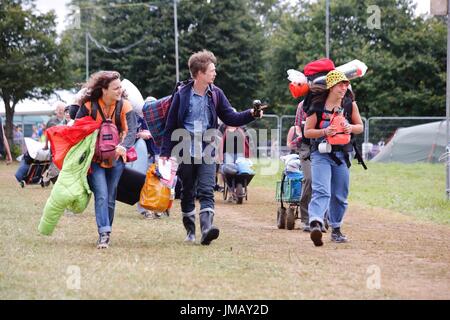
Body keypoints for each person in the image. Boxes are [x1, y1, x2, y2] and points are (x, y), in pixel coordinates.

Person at [160, 49, 263, 245]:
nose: (215, 73)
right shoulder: (181, 94)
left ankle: (206, 229)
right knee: (188, 190)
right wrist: (165, 153)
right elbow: (170, 126)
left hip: (207, 148)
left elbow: (230, 117)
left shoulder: (216, 94)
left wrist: (251, 113)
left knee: (207, 190)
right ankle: (190, 231)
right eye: (211, 70)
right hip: (184, 147)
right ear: (199, 73)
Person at [75, 71, 137, 249]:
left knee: (110, 196)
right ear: (104, 90)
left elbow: (132, 130)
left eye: (120, 88)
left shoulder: (125, 106)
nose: (120, 91)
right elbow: (77, 130)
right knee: (101, 194)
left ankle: (106, 230)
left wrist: (123, 146)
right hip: (95, 160)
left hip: (117, 159)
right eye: (115, 88)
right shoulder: (88, 107)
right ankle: (104, 233)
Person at [304, 70, 363, 246]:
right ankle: (315, 222)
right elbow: (307, 131)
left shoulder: (349, 105)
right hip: (321, 154)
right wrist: (324, 131)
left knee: (340, 194)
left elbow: (360, 126)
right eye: (340, 84)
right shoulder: (317, 106)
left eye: (346, 85)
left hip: (342, 154)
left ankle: (336, 229)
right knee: (322, 190)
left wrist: (349, 128)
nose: (344, 88)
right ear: (331, 86)